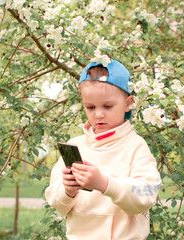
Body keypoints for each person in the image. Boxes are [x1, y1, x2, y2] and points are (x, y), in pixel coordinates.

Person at [45, 59, 162, 240]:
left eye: (108, 106)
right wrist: (67, 191)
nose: (98, 114)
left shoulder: (135, 147)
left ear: (128, 103)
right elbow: (56, 202)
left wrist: (104, 184)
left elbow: (146, 196)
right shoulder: (76, 146)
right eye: (90, 107)